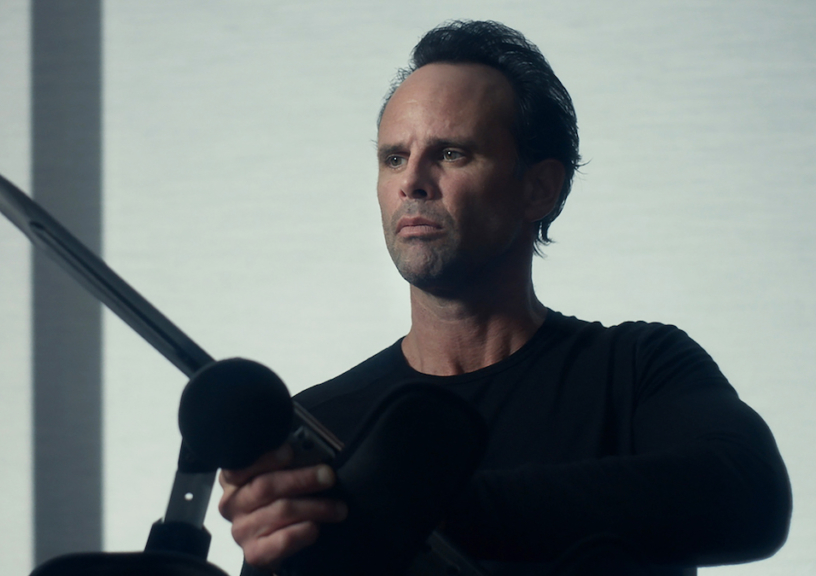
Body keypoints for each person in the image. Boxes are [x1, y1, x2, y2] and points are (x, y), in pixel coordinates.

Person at [217, 20, 791, 576]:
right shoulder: (320, 424)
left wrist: (426, 509)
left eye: (451, 153)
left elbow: (750, 497)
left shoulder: (638, 368)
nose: (412, 181)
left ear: (539, 188)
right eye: (394, 158)